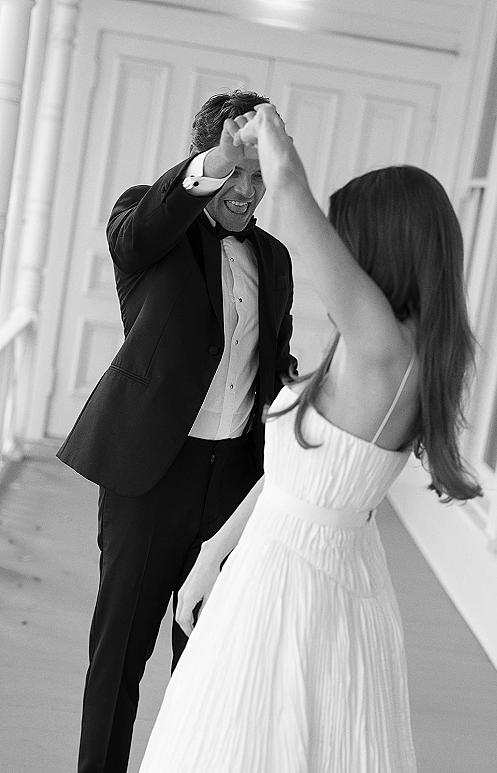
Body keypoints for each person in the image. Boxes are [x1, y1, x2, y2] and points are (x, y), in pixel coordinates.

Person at [137, 104, 483, 773]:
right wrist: (214, 552)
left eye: (349, 238)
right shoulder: (384, 348)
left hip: (297, 587)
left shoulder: (385, 350)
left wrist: (265, 130)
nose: (339, 253)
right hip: (283, 562)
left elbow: (292, 208)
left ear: (385, 246)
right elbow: (300, 478)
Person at [56, 91, 297, 773]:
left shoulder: (275, 259)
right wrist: (219, 158)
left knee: (206, 666)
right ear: (208, 159)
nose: (247, 190)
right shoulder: (150, 225)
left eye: (258, 175)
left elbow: (267, 365)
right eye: (236, 171)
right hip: (150, 478)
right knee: (119, 661)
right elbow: (136, 234)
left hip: (231, 486)